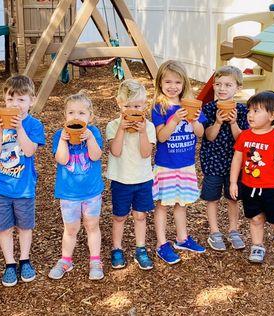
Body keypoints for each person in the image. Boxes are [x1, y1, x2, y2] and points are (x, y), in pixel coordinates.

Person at [0, 75, 45, 287]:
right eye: (11, 100)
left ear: (32, 101)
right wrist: (1, 130)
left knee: (24, 226)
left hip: (24, 188)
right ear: (4, 101)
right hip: (0, 188)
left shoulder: (34, 125)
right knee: (4, 228)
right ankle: (10, 263)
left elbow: (29, 151)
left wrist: (19, 128)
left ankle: (24, 260)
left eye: (21, 100)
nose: (15, 105)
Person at [229, 90, 274, 271]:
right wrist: (234, 182)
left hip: (271, 188)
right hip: (249, 186)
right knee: (255, 219)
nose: (250, 115)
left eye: (256, 111)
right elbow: (237, 159)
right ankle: (257, 246)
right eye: (249, 110)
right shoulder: (245, 135)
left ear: (272, 115)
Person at [151, 60, 206, 264]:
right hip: (166, 164)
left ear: (184, 84)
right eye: (168, 82)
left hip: (186, 164)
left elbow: (201, 134)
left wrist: (194, 120)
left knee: (181, 203)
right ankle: (161, 243)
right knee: (163, 204)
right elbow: (161, 137)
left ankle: (182, 238)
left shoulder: (192, 105)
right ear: (160, 83)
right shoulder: (160, 107)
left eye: (177, 82)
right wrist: (174, 120)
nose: (173, 86)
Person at [48, 91, 104, 280]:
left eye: (81, 113)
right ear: (65, 116)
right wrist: (63, 140)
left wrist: (89, 138)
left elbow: (96, 156)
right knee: (70, 229)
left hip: (91, 192)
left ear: (90, 117)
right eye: (71, 113)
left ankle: (95, 260)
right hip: (69, 194)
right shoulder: (58, 135)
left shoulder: (94, 133)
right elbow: (62, 160)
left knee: (92, 226)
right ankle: (66, 260)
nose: (76, 117)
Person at [106, 79, 156, 270]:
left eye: (137, 106)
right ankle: (116, 248)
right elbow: (115, 151)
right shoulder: (113, 125)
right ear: (119, 104)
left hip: (142, 179)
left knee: (140, 215)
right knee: (119, 216)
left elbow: (146, 153)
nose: (132, 110)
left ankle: (140, 248)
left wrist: (142, 132)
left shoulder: (149, 127)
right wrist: (122, 129)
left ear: (144, 106)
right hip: (121, 179)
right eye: (127, 106)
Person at [200, 66, 249, 251]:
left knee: (232, 198)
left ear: (238, 88)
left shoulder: (243, 111)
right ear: (213, 86)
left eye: (228, 85)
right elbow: (209, 136)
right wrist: (219, 122)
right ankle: (214, 231)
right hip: (212, 162)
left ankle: (233, 230)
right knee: (212, 198)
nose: (222, 89)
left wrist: (234, 122)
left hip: (234, 165)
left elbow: (241, 140)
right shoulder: (209, 109)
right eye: (218, 84)